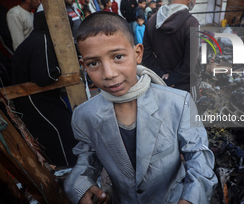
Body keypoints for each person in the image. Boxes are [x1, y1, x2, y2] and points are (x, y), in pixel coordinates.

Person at [64, 12, 217, 204]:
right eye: (93, 63)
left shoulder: (177, 103)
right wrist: (80, 184)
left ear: (137, 53)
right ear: (83, 65)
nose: (109, 73)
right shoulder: (84, 115)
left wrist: (191, 198)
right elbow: (87, 156)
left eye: (118, 56)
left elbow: (198, 155)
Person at [11, 11, 77, 167]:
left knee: (59, 131)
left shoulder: (35, 38)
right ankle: (69, 168)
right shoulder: (43, 39)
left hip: (34, 99)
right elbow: (45, 76)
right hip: (34, 99)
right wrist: (64, 71)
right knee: (62, 132)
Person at [143, 0, 200, 94]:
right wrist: (173, 78)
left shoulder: (152, 21)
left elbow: (146, 57)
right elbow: (190, 64)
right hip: (185, 89)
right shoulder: (192, 23)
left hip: (160, 86)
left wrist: (163, 77)